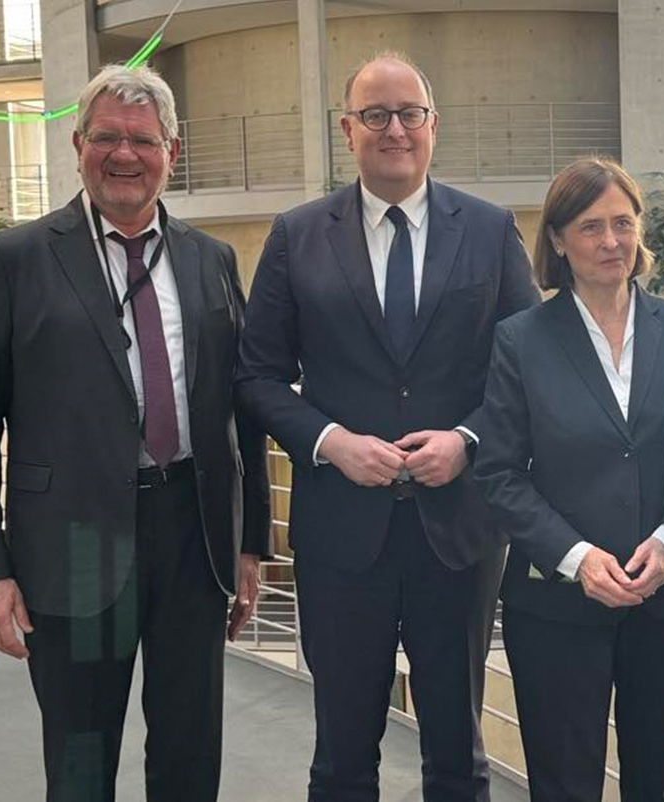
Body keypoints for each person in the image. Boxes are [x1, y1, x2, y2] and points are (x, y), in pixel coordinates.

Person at [0, 64, 272, 802]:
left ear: (171, 152)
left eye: (143, 140)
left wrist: (250, 542)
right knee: (83, 760)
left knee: (190, 751)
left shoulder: (211, 260)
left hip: (193, 540)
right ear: (78, 145)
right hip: (77, 546)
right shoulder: (20, 259)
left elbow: (240, 411)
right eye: (107, 137)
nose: (125, 154)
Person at [235, 52, 538, 801]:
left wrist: (466, 442)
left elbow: (529, 373)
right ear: (348, 129)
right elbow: (255, 376)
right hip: (341, 537)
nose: (394, 129)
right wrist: (329, 442)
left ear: (435, 126)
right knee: (341, 759)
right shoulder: (297, 235)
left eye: (409, 114)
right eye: (376, 115)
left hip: (458, 536)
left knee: (457, 757)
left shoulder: (491, 230)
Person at [475, 159, 664, 801]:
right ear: (557, 239)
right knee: (564, 786)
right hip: (556, 607)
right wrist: (577, 558)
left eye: (623, 223)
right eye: (590, 226)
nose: (611, 241)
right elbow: (498, 473)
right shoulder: (520, 340)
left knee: (657, 783)